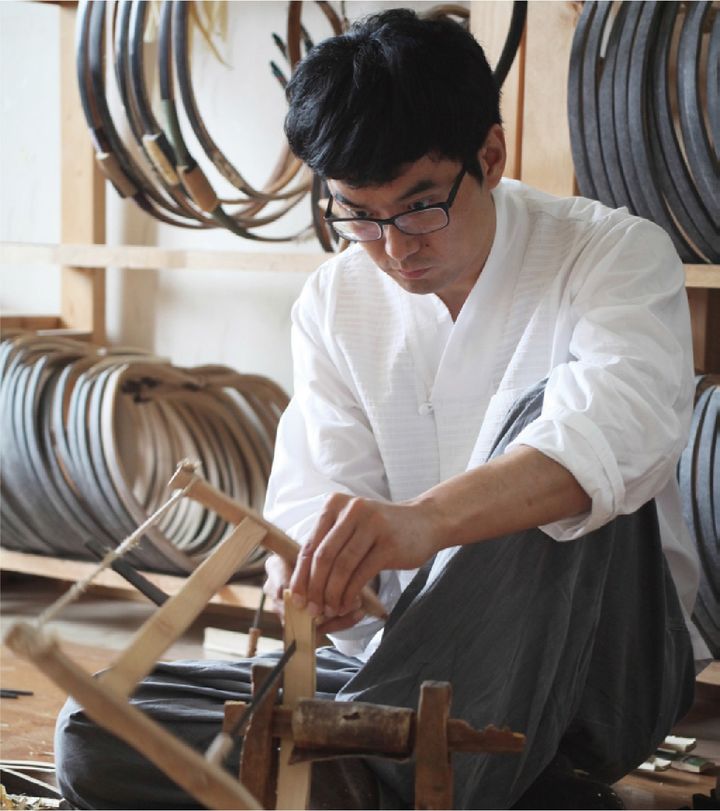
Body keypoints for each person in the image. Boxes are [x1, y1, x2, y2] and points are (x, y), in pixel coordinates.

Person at [55, 8, 708, 810]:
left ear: (490, 156)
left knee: (554, 440)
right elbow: (313, 497)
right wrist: (312, 579)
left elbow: (619, 433)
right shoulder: (335, 298)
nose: (396, 248)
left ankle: (368, 772)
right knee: (96, 726)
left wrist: (422, 523)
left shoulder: (612, 253)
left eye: (420, 206)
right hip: (389, 673)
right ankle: (427, 781)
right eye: (358, 216)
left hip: (597, 674)